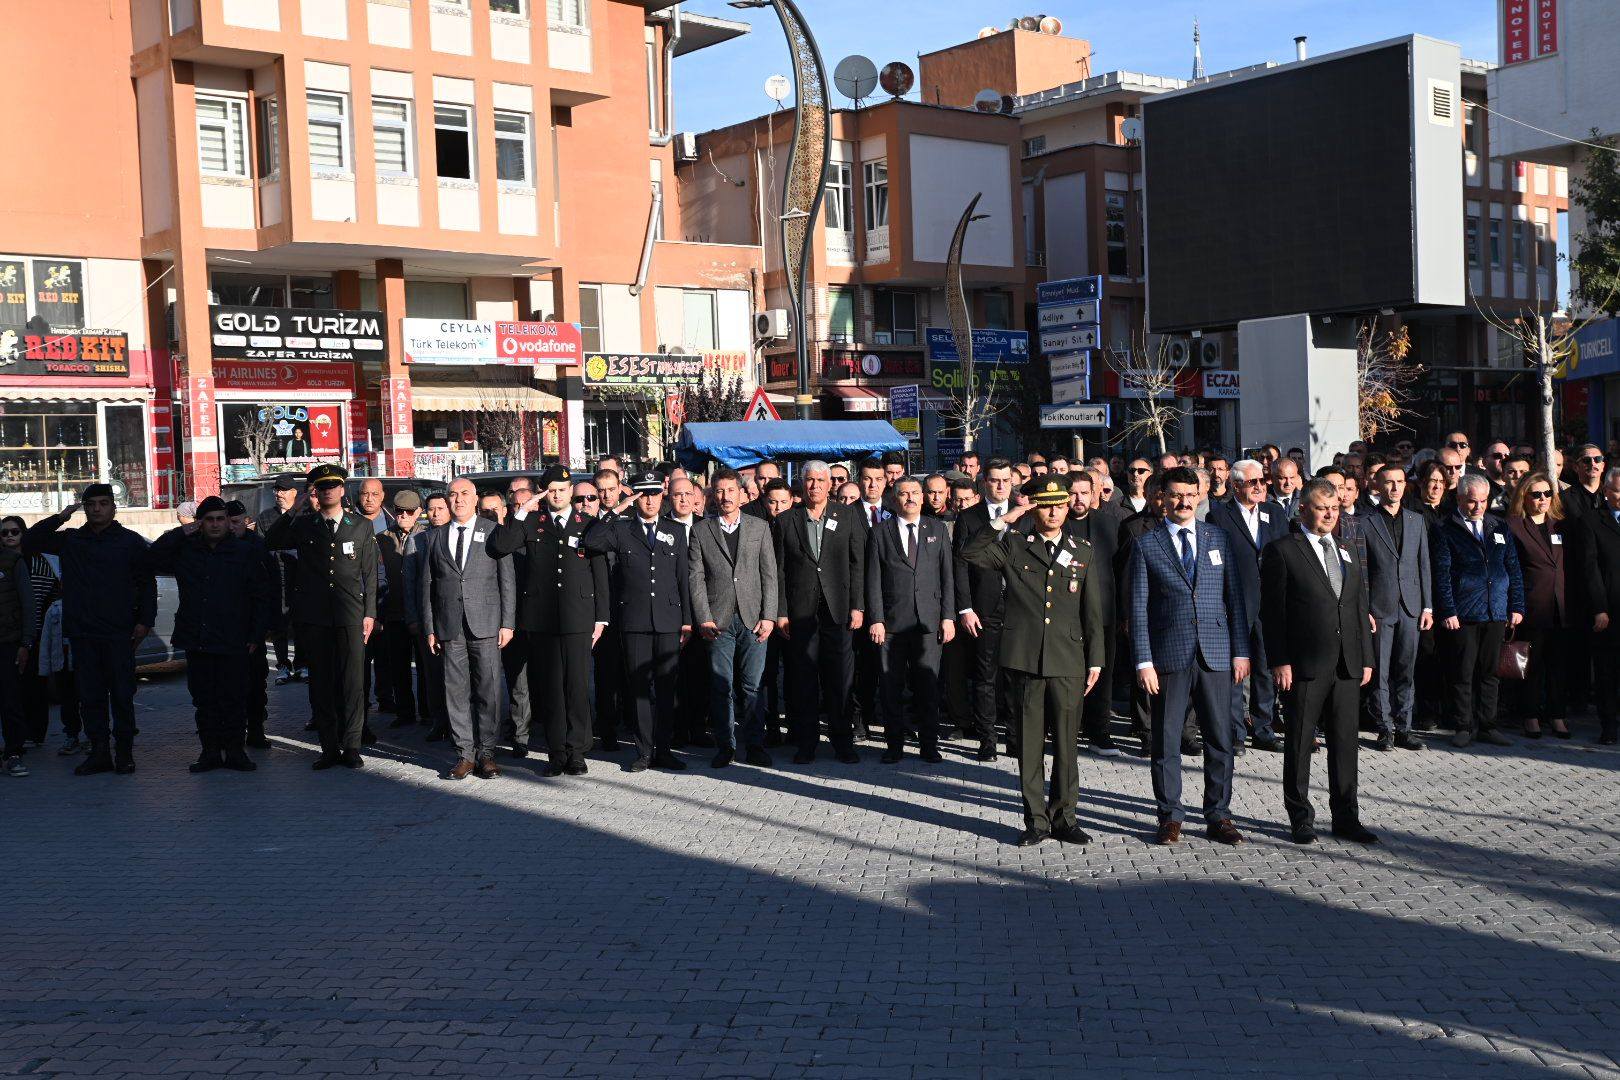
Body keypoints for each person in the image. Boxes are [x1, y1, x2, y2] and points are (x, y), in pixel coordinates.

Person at [961, 476, 1105, 846]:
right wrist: (1008, 517)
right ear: (1034, 507)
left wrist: (1096, 660)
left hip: (1069, 658)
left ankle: (1065, 818)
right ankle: (1036, 822)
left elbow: (1092, 611)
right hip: (1024, 658)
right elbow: (970, 553)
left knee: (1067, 746)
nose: (1054, 511)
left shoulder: (1083, 549)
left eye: (1060, 503)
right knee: (1028, 746)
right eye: (1046, 504)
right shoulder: (1013, 545)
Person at [1127, 467, 1250, 846]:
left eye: (1189, 494)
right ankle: (1169, 816)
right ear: (1162, 497)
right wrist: (1143, 661)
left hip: (1215, 653)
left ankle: (1218, 814)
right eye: (1176, 494)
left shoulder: (1219, 538)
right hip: (1169, 657)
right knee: (1165, 742)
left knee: (1220, 739)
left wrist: (1241, 651)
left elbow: (1234, 600)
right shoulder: (1147, 544)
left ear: (1200, 496)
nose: (1183, 501)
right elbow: (1138, 608)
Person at [1259, 481, 1376, 845]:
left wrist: (1366, 657)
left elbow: (1357, 606)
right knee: (1299, 741)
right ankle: (1300, 816)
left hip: (1347, 664)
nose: (1329, 514)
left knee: (1344, 742)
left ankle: (1346, 816)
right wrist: (1280, 660)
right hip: (1304, 664)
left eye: (1335, 508)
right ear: (1303, 510)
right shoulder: (1282, 551)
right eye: (1322, 507)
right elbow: (1272, 614)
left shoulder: (1345, 549)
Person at [23, 483, 155, 776]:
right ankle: (98, 752)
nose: (97, 509)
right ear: (85, 507)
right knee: (90, 697)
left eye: (103, 503)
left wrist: (145, 622)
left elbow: (147, 583)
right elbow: (31, 540)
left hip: (119, 632)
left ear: (113, 507)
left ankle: (124, 754)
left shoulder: (130, 542)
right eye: (91, 503)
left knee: (121, 695)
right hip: (83, 633)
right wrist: (62, 516)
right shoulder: (72, 540)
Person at [490, 465, 610, 776]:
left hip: (579, 617)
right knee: (552, 689)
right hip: (542, 619)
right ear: (544, 492)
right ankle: (557, 753)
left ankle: (577, 750)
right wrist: (521, 512)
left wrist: (602, 617)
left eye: (563, 489)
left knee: (578, 687)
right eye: (552, 489)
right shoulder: (531, 522)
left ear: (571, 492)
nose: (557, 494)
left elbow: (600, 575)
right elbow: (500, 546)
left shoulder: (587, 523)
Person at [142, 496, 273, 774]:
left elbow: (262, 595)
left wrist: (256, 634)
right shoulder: (186, 549)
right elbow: (150, 558)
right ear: (200, 523)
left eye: (220, 519)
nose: (215, 525)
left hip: (234, 637)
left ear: (228, 521)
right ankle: (210, 752)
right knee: (204, 700)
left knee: (234, 698)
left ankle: (236, 752)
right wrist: (181, 531)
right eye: (209, 520)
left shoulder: (243, 551)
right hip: (197, 636)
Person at [263, 464, 379, 771]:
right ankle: (329, 747)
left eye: (332, 486)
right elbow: (271, 541)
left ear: (342, 490)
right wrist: (294, 509)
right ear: (315, 491)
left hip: (351, 615)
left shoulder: (361, 526)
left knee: (353, 684)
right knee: (322, 684)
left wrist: (370, 614)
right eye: (321, 486)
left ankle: (352, 746)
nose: (327, 491)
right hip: (315, 617)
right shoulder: (305, 525)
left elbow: (369, 573)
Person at [581, 472, 692, 771]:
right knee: (639, 688)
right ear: (635, 497)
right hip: (634, 620)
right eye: (643, 495)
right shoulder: (621, 529)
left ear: (662, 496)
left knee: (667, 688)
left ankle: (664, 750)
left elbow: (684, 577)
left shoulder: (675, 530)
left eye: (655, 494)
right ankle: (644, 751)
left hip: (669, 619)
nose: (650, 500)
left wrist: (687, 621)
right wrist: (618, 508)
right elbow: (590, 540)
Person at [421, 477, 516, 780]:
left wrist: (507, 623)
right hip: (450, 627)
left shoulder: (493, 532)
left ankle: (487, 754)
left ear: (475, 499)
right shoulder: (433, 537)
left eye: (464, 494)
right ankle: (465, 754)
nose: (458, 499)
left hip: (487, 625)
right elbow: (428, 586)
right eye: (453, 494)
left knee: (488, 690)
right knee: (455, 693)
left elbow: (507, 581)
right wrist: (430, 627)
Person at [773, 460, 865, 764]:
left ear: (830, 484)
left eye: (820, 480)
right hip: (800, 613)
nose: (815, 486)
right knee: (803, 679)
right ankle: (807, 742)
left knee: (839, 679)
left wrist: (858, 605)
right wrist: (781, 611)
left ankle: (843, 743)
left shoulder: (848, 515)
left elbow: (857, 564)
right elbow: (779, 570)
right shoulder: (787, 520)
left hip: (838, 611)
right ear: (802, 484)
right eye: (809, 480)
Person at [688, 469, 778, 768]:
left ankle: (755, 745)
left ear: (741, 494)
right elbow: (696, 577)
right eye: (720, 491)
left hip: (754, 619)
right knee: (721, 686)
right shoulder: (701, 531)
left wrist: (769, 616)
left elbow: (769, 575)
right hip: (718, 620)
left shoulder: (759, 527)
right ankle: (725, 746)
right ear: (712, 494)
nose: (725, 497)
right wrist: (703, 617)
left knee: (753, 686)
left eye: (730, 491)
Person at [864, 477, 955, 764]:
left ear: (923, 497)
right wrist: (876, 618)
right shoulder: (880, 532)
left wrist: (948, 616)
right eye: (904, 494)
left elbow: (947, 577)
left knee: (928, 687)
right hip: (891, 624)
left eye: (915, 493)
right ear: (895, 498)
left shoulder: (937, 529)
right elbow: (873, 580)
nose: (910, 498)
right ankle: (894, 746)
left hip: (928, 622)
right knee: (891, 687)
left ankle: (929, 744)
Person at [1431, 474, 1525, 748]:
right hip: (1464, 611)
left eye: (1483, 501)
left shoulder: (1499, 525)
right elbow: (1442, 573)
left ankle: (1488, 725)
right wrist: (1448, 610)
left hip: (1495, 610)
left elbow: (1513, 568)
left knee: (1490, 671)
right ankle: (1463, 725)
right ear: (1460, 498)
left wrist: (1516, 604)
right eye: (1472, 502)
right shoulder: (1445, 528)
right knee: (1463, 671)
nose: (1478, 507)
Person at [1207, 459, 1289, 753]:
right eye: (1252, 482)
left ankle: (1264, 728)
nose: (1259, 487)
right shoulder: (1219, 516)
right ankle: (1235, 732)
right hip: (1237, 604)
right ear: (1236, 485)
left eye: (1262, 482)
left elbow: (1284, 553)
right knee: (1237, 671)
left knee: (1266, 667)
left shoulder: (1274, 513)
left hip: (1269, 603)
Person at [1361, 462, 1432, 751]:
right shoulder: (1365, 522)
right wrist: (1364, 609)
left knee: (1406, 668)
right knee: (1381, 671)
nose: (1394, 487)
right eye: (1388, 482)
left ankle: (1405, 727)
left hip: (1412, 606)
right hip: (1379, 607)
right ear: (1377, 485)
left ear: (1406, 485)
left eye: (1399, 482)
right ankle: (1384, 729)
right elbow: (1361, 571)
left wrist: (1428, 607)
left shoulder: (1416, 520)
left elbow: (1423, 564)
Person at [952, 458, 1017, 761]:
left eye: (1006, 479)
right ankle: (987, 740)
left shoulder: (1026, 516)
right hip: (983, 607)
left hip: (1020, 608)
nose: (1001, 485)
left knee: (1017, 676)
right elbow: (961, 564)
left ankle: (1016, 740)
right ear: (984, 482)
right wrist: (965, 608)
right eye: (994, 480)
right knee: (985, 677)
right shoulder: (969, 518)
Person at [1505, 473, 1569, 738]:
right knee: (1532, 665)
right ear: (1524, 496)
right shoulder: (1513, 526)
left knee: (1559, 665)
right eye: (1536, 494)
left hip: (1560, 607)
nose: (1542, 499)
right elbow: (1510, 568)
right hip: (1531, 606)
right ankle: (1530, 716)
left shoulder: (1561, 526)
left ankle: (1557, 716)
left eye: (1546, 494)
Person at [1064, 470, 1122, 756]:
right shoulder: (1054, 524)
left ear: (1094, 493)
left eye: (1084, 493)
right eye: (1072, 493)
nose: (1078, 499)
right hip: (1065, 615)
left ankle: (1100, 731)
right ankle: (1067, 731)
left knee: (1103, 672)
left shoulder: (1110, 524)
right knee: (1069, 674)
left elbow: (1122, 570)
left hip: (1104, 612)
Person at [376, 490, 423, 731]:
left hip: (422, 614)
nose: (403, 516)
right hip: (393, 612)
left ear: (419, 513)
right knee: (398, 667)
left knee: (425, 667)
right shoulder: (382, 538)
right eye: (399, 512)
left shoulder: (427, 536)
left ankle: (427, 713)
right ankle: (404, 711)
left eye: (409, 512)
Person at [1580, 466, 1620, 744]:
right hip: (1609, 609)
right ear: (1606, 492)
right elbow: (1590, 568)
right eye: (1617, 491)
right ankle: (1608, 725)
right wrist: (1599, 608)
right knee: (1607, 672)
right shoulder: (1592, 521)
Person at [407, 492, 452, 742]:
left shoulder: (458, 535)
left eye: (440, 508)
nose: (435, 514)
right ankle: (439, 720)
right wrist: (414, 617)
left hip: (456, 617)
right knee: (433, 674)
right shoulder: (418, 540)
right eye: (431, 509)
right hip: (429, 617)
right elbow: (411, 583)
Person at [498, 477, 534, 758]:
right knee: (517, 682)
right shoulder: (505, 534)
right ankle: (520, 736)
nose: (521, 509)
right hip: (513, 619)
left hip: (542, 618)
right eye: (516, 505)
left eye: (527, 504)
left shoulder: (544, 530)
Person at [257, 474, 304, 684]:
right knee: (279, 626)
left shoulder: (305, 516)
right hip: (276, 579)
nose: (279, 494)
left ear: (295, 492)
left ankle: (303, 664)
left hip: (302, 578)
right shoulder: (266, 517)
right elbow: (261, 548)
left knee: (301, 622)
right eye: (276, 490)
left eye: (283, 490)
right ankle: (283, 665)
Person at [0, 518, 35, 777]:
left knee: (10, 700)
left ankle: (14, 752)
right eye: (5, 532)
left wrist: (26, 643)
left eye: (14, 532)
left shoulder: (13, 562)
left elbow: (28, 605)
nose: (9, 536)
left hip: (8, 643)